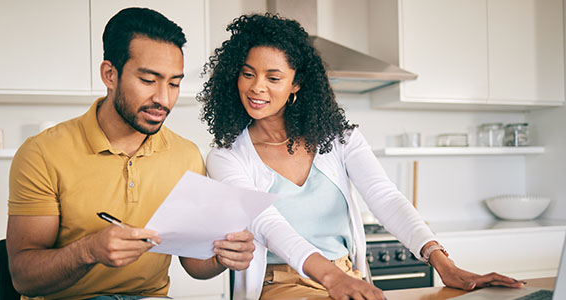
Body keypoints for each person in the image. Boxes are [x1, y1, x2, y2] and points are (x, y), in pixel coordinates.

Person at [198, 13, 525, 300]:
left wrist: (443, 263)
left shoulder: (340, 139)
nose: (256, 88)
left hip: (346, 275)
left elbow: (386, 198)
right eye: (248, 73)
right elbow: (267, 224)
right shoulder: (227, 157)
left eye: (273, 78)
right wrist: (330, 276)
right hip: (279, 284)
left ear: (296, 84)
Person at [6, 7, 254, 300]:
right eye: (149, 80)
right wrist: (88, 251)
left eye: (174, 83)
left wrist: (223, 257)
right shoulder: (42, 153)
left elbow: (194, 264)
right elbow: (24, 278)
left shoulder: (185, 155)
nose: (163, 98)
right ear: (110, 74)